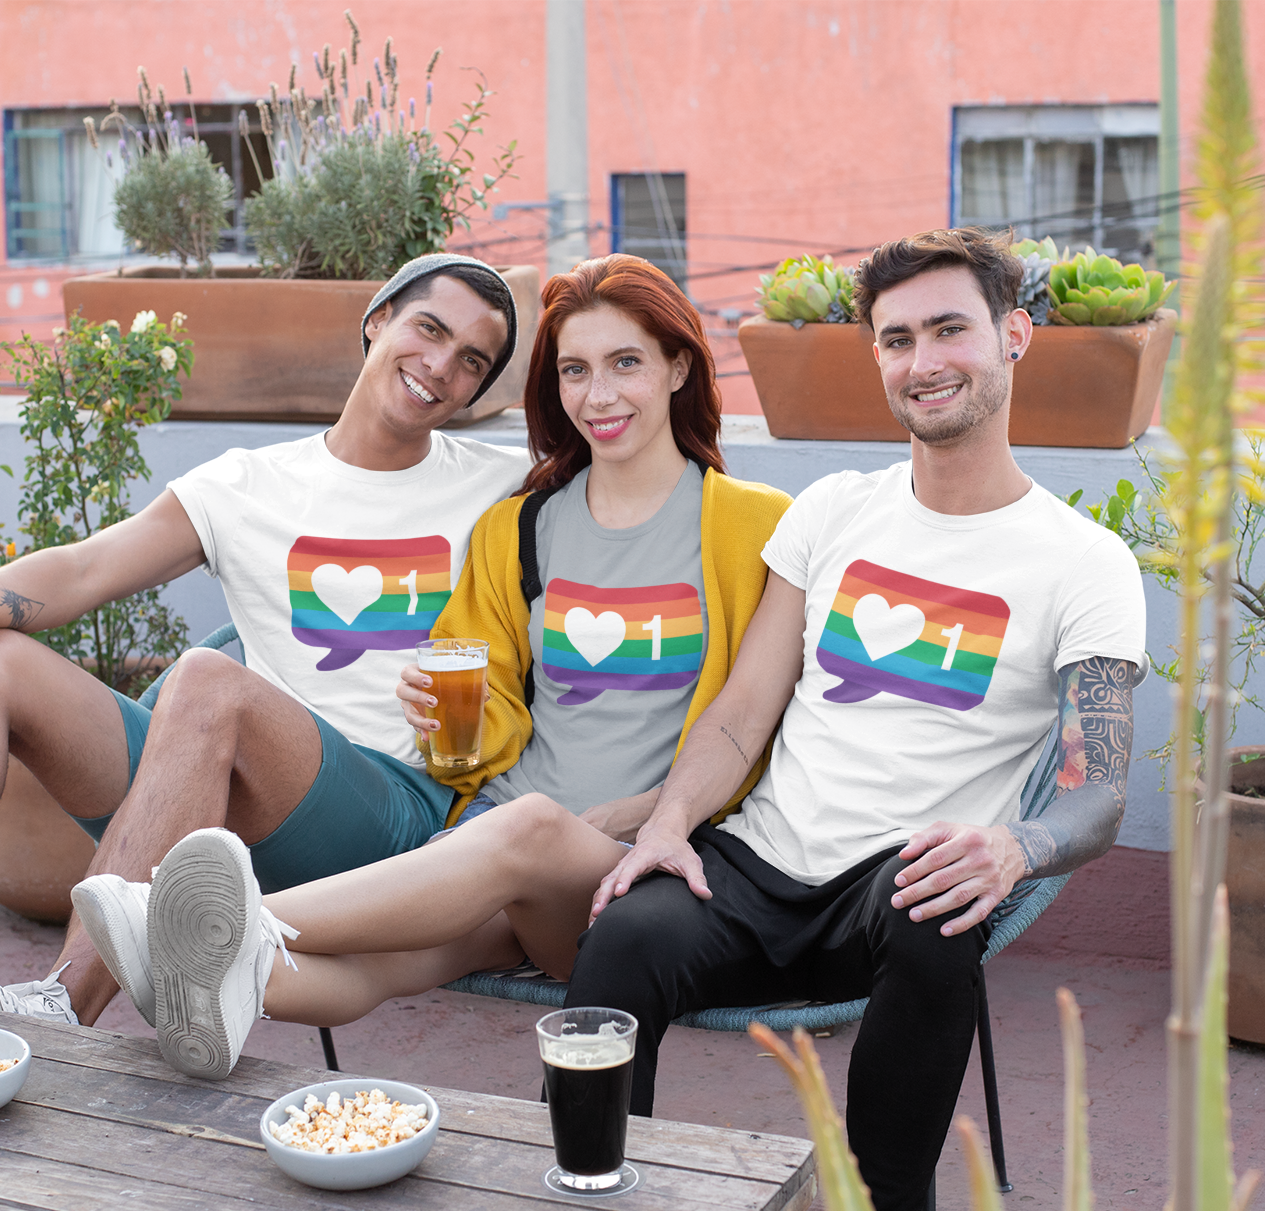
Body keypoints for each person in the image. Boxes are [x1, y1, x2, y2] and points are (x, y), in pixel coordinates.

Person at [0, 254, 532, 1029]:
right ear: (376, 320)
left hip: (389, 818)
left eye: (472, 362)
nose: (440, 367)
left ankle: (61, 1003)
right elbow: (79, 572)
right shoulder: (246, 486)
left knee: (205, 679)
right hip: (229, 796)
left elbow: (640, 480)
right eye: (429, 328)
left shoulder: (502, 481)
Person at [563, 228, 1147, 1211]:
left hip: (897, 878)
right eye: (896, 339)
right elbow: (744, 710)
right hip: (758, 865)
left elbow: (1099, 789)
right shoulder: (833, 509)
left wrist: (1017, 846)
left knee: (936, 919)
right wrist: (666, 823)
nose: (923, 362)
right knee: (623, 936)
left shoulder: (1083, 562)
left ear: (1016, 336)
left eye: (949, 330)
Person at [71, 254, 793, 1081]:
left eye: (625, 363)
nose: (599, 396)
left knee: (527, 829)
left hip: (620, 872)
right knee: (376, 966)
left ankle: (201, 920)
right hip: (487, 838)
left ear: (677, 365)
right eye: (575, 370)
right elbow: (484, 726)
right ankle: (206, 982)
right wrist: (453, 713)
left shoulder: (755, 528)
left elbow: (764, 726)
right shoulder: (519, 528)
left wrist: (633, 815)